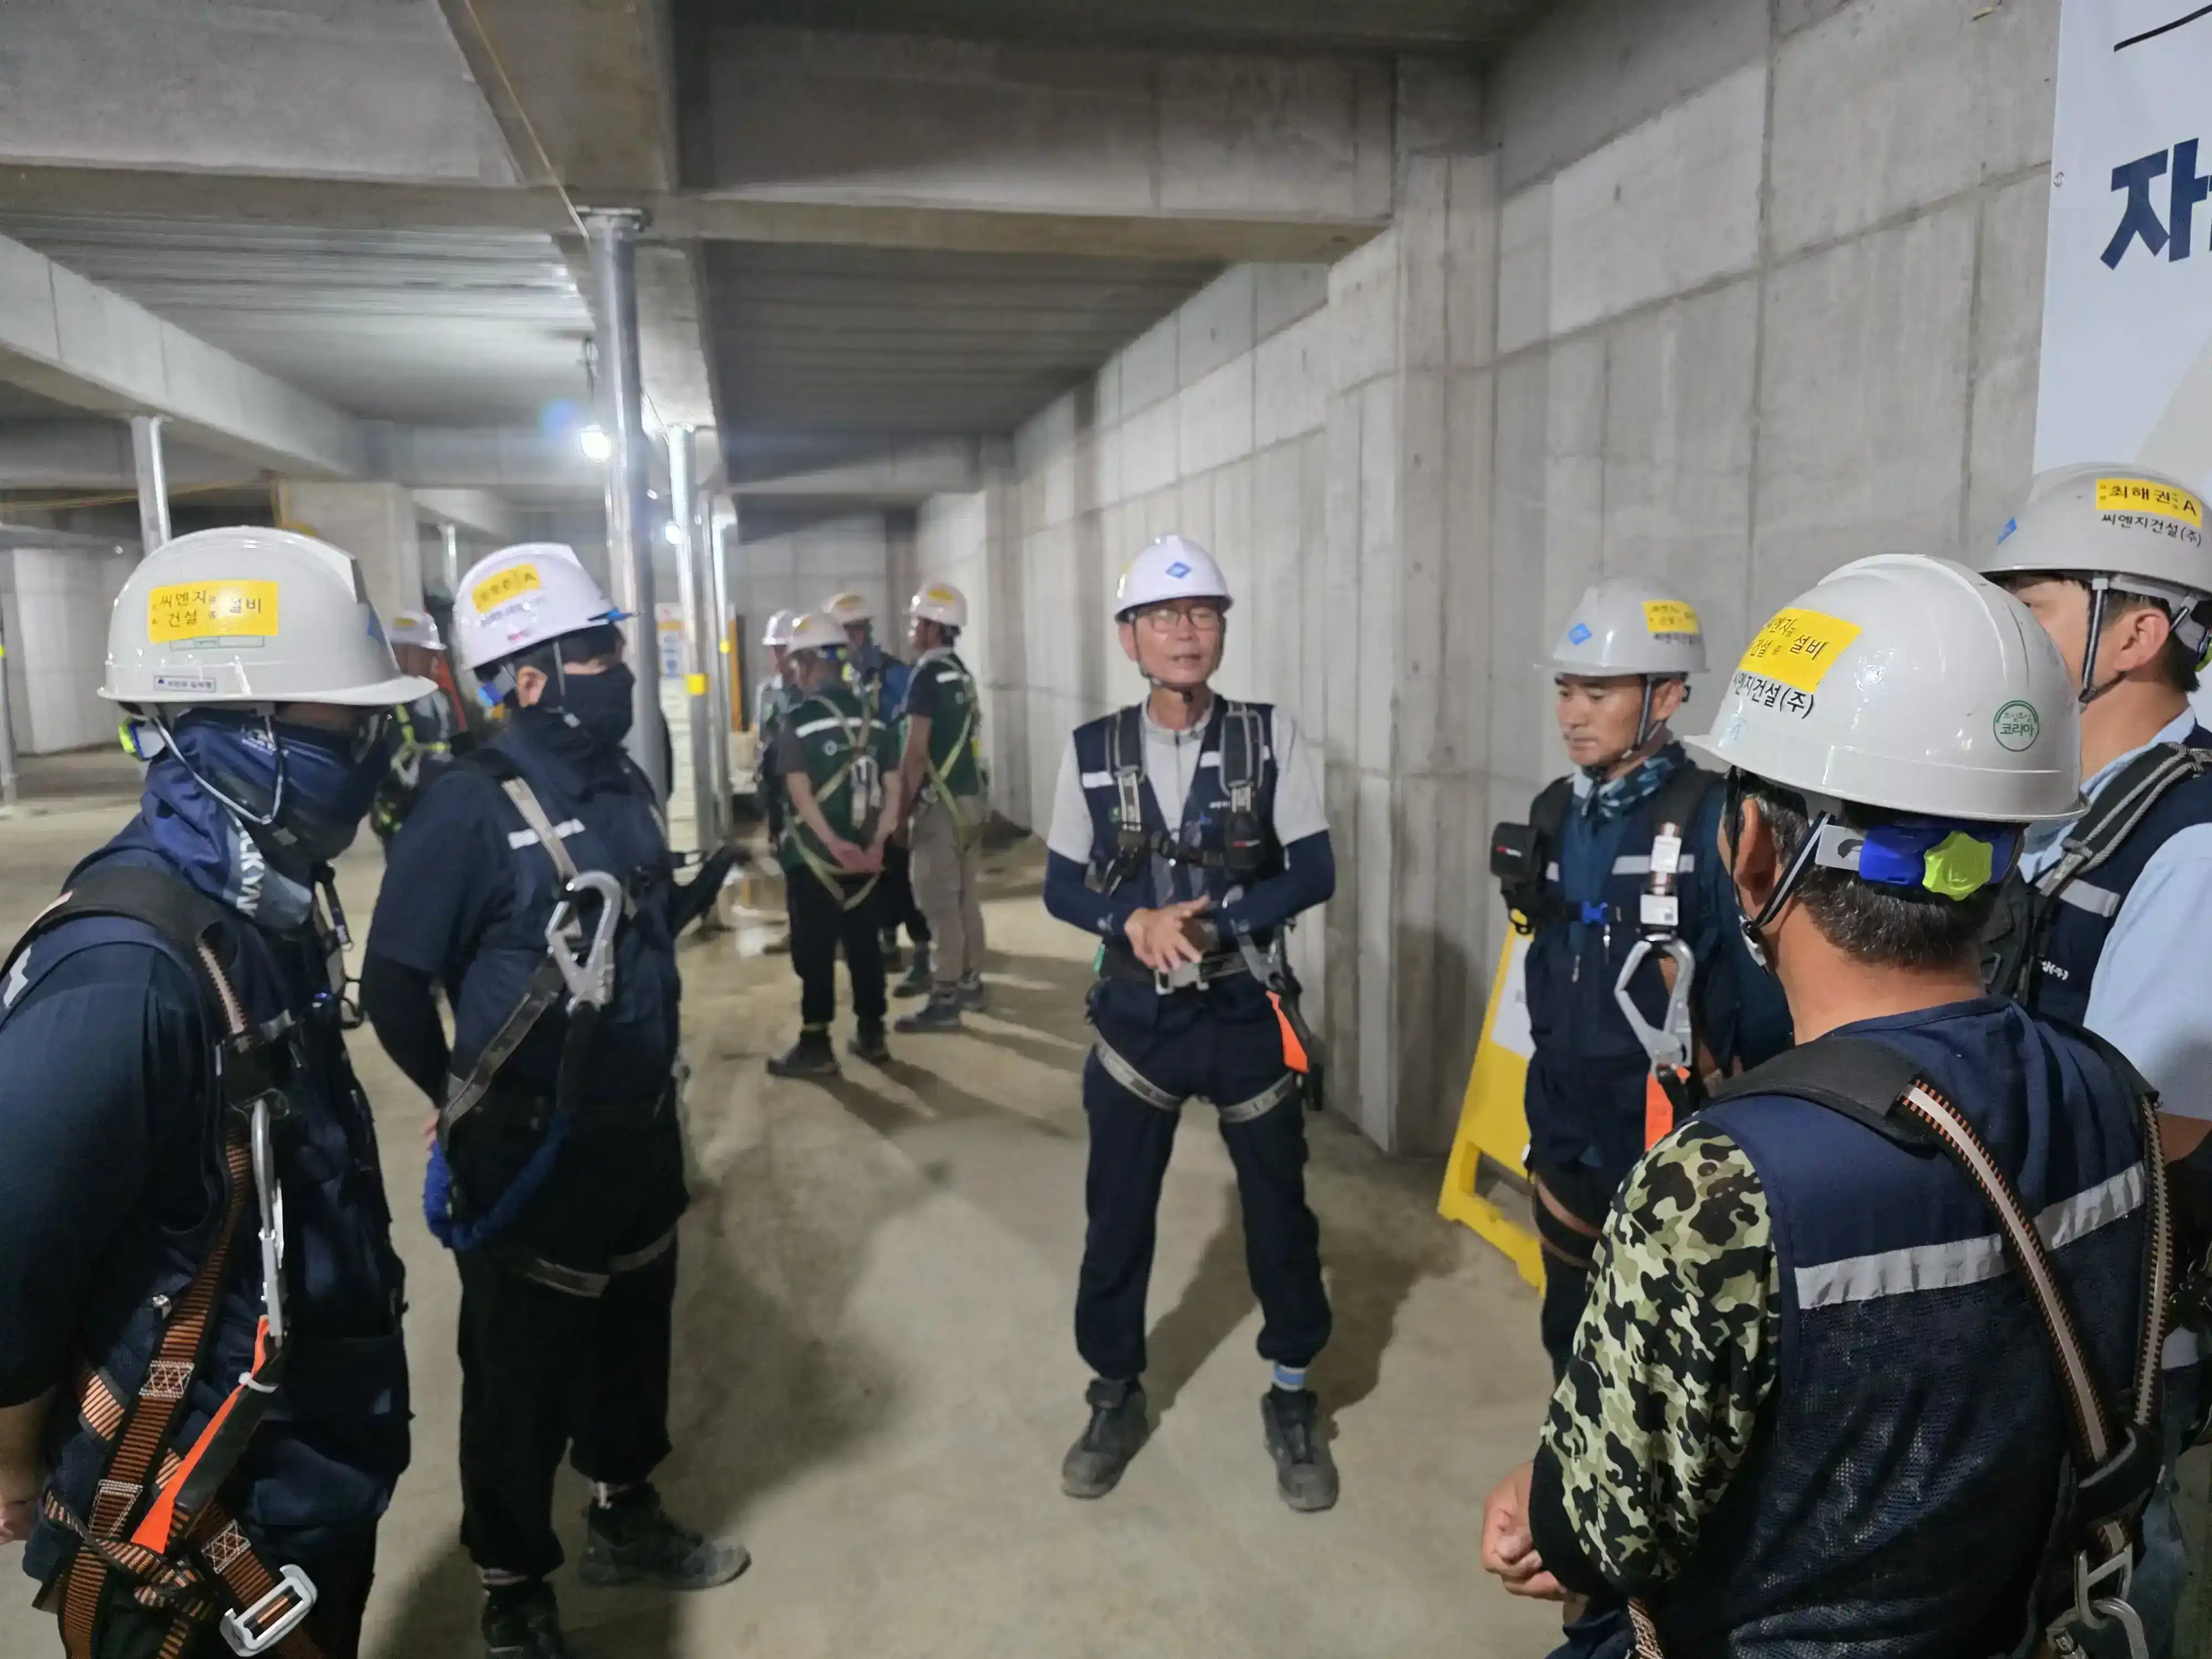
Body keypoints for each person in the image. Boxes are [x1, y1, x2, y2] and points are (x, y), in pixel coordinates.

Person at [1481, 554, 2168, 1658]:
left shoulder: (1721, 1186)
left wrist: (1548, 1490)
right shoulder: (2105, 1094)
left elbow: (1601, 1538)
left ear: (1751, 849)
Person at [0, 527, 420, 1657]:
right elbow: (11, 1243)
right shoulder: (125, 977)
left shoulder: (261, 914)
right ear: (231, 730)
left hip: (302, 1478)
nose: (368, 750)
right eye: (344, 724)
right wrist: (12, 1455)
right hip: (194, 1534)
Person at [361, 542, 743, 1659]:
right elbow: (393, 987)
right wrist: (457, 1095)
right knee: (519, 1373)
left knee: (632, 1332)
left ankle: (624, 1514)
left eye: (613, 648)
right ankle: (514, 1585)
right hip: (528, 1150)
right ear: (528, 676)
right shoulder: (466, 808)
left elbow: (626, 932)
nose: (619, 669)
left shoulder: (622, 782)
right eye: (597, 652)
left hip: (637, 1127)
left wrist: (686, 900)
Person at [1041, 534, 1339, 1512]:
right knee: (1118, 1214)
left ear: (1222, 631)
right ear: (1129, 637)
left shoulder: (1270, 737)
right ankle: (1113, 1390)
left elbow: (1314, 869)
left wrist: (1217, 923)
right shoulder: (1092, 750)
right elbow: (1058, 885)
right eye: (1164, 616)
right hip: (1138, 1021)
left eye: (1204, 613)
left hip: (1244, 1009)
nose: (1186, 632)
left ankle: (1292, 1391)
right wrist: (1128, 921)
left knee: (1280, 1213)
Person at [1976, 462, 2212, 1657]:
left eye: (2033, 609)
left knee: (2108, 1585)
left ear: (2134, 633)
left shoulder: (2192, 839)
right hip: (2023, 1294)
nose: (2007, 638)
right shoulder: (2050, 807)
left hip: (2113, 1337)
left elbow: (2151, 1133)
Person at [1496, 575, 1791, 1382]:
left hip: (1669, 1136)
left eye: (1598, 694)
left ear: (1665, 697)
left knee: (1669, 1361)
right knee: (1569, 1333)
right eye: (1566, 691)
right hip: (1566, 1126)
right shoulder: (1553, 811)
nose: (1572, 714)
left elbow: (1764, 1003)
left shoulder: (1715, 819)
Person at [765, 610, 905, 1077]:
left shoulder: (798, 720)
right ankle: (872, 1033)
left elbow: (798, 792)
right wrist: (878, 843)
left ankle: (816, 1043)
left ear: (806, 663)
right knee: (865, 945)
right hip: (866, 860)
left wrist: (831, 842)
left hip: (815, 860)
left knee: (815, 949)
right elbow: (894, 787)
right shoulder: (876, 720)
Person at [892, 582, 990, 1033]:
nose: (912, 629)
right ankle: (971, 981)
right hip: (970, 800)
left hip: (939, 806)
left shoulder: (927, 677)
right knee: (966, 896)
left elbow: (916, 752)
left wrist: (900, 814)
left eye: (918, 621)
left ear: (934, 627)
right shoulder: (961, 674)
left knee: (938, 901)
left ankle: (946, 995)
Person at [825, 589, 931, 990]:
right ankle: (886, 942)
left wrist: (903, 797)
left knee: (904, 873)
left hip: (893, 787)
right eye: (844, 633)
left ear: (864, 631)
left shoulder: (898, 676)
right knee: (875, 873)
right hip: (861, 792)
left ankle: (924, 952)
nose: (850, 641)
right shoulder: (846, 680)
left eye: (855, 631)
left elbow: (912, 737)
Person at [371, 607, 466, 843]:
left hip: (445, 811)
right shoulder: (382, 708)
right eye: (427, 653)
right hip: (405, 819)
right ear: (401, 653)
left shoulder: (441, 699)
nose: (436, 661)